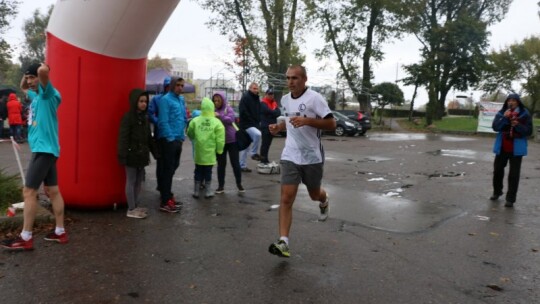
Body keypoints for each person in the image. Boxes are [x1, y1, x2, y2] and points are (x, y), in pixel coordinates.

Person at [267, 65, 336, 258]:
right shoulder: (285, 100)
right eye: (288, 78)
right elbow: (289, 123)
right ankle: (283, 242)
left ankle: (323, 200)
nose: (290, 82)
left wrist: (307, 121)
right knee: (286, 197)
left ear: (304, 79)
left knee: (314, 194)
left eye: (295, 78)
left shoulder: (315, 98)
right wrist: (278, 127)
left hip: (312, 156)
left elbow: (332, 124)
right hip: (290, 154)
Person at [1, 62, 67, 251]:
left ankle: (25, 237)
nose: (29, 81)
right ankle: (60, 231)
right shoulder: (36, 96)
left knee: (29, 192)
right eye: (28, 77)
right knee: (53, 191)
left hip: (44, 151)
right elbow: (23, 87)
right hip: (45, 150)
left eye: (32, 77)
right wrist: (27, 74)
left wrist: (39, 67)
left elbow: (44, 71)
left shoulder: (48, 94)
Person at [490, 93, 532, 208]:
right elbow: (495, 127)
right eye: (509, 100)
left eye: (514, 100)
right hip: (502, 146)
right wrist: (504, 117)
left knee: (514, 174)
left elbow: (528, 131)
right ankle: (497, 192)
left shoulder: (524, 114)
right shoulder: (501, 113)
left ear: (518, 102)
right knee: (497, 170)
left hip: (516, 148)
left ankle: (510, 199)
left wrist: (517, 125)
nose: (511, 102)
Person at [118, 89, 152, 219]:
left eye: (145, 101)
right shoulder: (128, 118)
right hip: (131, 155)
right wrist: (122, 156)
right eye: (141, 101)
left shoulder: (144, 118)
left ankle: (135, 205)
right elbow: (123, 138)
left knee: (138, 181)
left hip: (141, 155)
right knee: (131, 181)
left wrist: (155, 152)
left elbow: (148, 137)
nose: (144, 104)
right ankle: (131, 208)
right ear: (135, 101)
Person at [156, 77, 187, 213]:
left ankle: (167, 194)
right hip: (168, 140)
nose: (180, 88)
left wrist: (181, 136)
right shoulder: (165, 100)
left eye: (182, 85)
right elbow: (163, 121)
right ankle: (165, 200)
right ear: (173, 86)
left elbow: (182, 118)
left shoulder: (181, 100)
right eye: (178, 85)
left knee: (173, 167)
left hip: (178, 139)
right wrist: (170, 138)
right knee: (167, 169)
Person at [187, 97, 225, 198]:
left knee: (198, 171)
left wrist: (193, 139)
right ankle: (208, 192)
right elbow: (220, 139)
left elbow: (189, 132)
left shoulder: (195, 121)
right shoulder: (217, 123)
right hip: (210, 153)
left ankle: (196, 191)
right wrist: (219, 150)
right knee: (208, 172)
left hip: (199, 152)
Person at [212, 92, 244, 193]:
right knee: (221, 165)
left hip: (232, 140)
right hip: (220, 141)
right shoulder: (213, 111)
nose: (216, 102)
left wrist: (220, 116)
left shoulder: (228, 109)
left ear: (223, 100)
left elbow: (231, 119)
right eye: (215, 101)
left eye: (218, 100)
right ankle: (221, 186)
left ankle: (239, 184)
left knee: (235, 164)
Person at [148, 77, 171, 194]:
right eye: (167, 86)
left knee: (170, 161)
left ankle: (166, 185)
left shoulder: (177, 99)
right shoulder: (157, 99)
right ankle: (161, 185)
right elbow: (150, 113)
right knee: (161, 161)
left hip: (171, 134)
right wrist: (159, 122)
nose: (169, 88)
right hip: (160, 133)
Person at [239, 82, 262, 172]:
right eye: (254, 88)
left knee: (245, 146)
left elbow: (258, 111)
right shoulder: (246, 97)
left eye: (257, 88)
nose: (256, 90)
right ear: (250, 88)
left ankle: (242, 165)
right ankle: (253, 153)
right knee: (258, 134)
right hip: (246, 124)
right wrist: (252, 121)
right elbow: (243, 111)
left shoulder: (256, 99)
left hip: (253, 124)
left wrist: (258, 121)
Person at [259, 88, 281, 164]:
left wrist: (272, 113)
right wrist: (273, 112)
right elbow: (267, 111)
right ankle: (262, 160)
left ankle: (265, 159)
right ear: (266, 95)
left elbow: (278, 113)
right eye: (269, 94)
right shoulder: (263, 103)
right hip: (265, 126)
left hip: (272, 126)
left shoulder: (274, 103)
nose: (271, 95)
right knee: (265, 144)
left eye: (272, 94)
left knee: (268, 144)